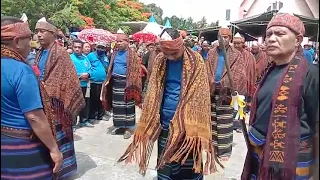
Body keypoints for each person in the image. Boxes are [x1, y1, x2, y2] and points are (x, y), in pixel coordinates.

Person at [118, 28, 217, 179]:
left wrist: (183, 118)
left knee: (187, 166)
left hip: (187, 125)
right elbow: (153, 88)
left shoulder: (195, 60)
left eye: (173, 54)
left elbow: (201, 93)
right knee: (166, 165)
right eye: (166, 53)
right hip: (165, 122)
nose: (170, 57)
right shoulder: (160, 60)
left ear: (180, 45)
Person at [241, 12, 319, 180]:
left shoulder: (311, 75)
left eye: (280, 33)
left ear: (298, 40)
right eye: (268, 34)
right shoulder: (269, 71)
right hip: (259, 153)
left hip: (291, 162)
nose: (271, 38)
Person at [1, 16, 63, 180]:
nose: (32, 43)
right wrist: (53, 148)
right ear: (16, 41)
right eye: (29, 39)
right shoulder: (22, 70)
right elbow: (34, 116)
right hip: (22, 146)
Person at [34, 17, 85, 179]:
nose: (39, 35)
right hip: (40, 103)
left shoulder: (62, 54)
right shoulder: (39, 53)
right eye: (37, 32)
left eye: (42, 31)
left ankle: (63, 171)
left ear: (52, 33)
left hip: (58, 106)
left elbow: (69, 80)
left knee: (59, 138)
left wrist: (49, 89)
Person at [206, 26, 247, 161]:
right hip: (212, 91)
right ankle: (213, 147)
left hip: (226, 93)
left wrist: (223, 83)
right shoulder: (212, 53)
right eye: (221, 37)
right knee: (212, 121)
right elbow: (207, 69)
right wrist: (211, 81)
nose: (223, 39)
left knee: (225, 122)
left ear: (230, 38)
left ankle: (224, 151)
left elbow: (239, 74)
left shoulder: (236, 55)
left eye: (226, 37)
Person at [101, 33, 142, 139]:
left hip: (127, 84)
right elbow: (111, 67)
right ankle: (120, 126)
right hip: (116, 82)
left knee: (128, 106)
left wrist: (132, 84)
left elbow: (136, 71)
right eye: (117, 41)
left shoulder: (132, 54)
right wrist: (108, 79)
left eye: (121, 41)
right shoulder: (114, 53)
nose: (118, 43)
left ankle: (128, 128)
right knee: (117, 106)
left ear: (127, 42)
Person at [232, 33, 256, 132]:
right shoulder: (230, 54)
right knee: (231, 106)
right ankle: (230, 124)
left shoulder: (249, 56)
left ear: (243, 43)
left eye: (239, 43)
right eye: (235, 43)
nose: (237, 45)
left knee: (241, 106)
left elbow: (252, 71)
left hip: (243, 86)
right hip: (230, 85)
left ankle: (238, 125)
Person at [70, 39, 94, 127]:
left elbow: (90, 69)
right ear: (72, 47)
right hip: (74, 85)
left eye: (79, 47)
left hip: (85, 85)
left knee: (85, 103)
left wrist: (88, 74)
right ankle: (72, 123)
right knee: (74, 104)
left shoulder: (85, 58)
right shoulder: (70, 58)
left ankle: (83, 121)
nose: (77, 49)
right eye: (75, 47)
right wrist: (80, 76)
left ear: (82, 48)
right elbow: (68, 72)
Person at [86, 41, 110, 121]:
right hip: (93, 82)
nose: (100, 49)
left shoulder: (105, 57)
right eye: (99, 47)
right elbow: (87, 66)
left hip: (103, 82)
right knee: (93, 99)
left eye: (102, 48)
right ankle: (92, 116)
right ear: (96, 47)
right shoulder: (90, 56)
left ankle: (100, 115)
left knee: (101, 99)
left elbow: (107, 68)